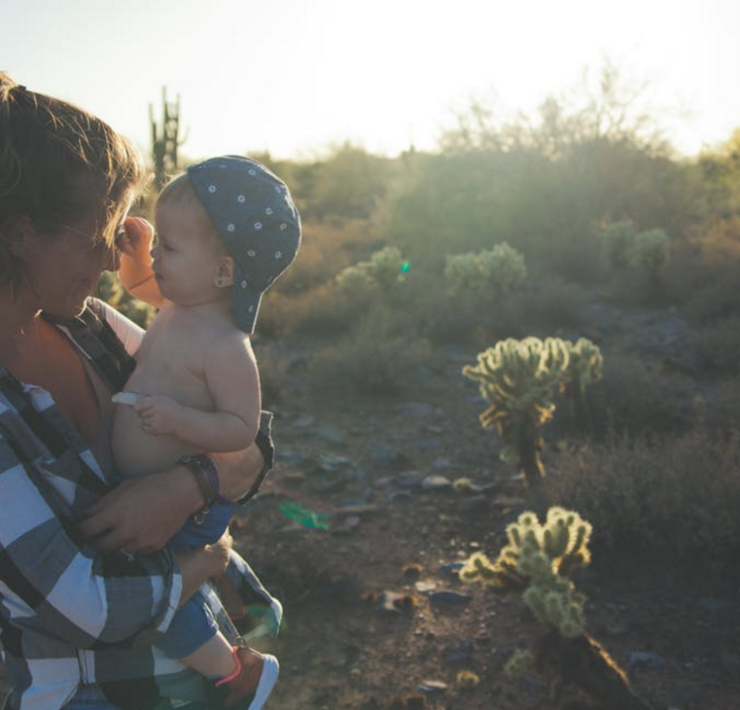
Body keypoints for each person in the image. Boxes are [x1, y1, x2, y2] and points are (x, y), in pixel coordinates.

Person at [0, 74, 281, 710]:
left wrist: (187, 486)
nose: (112, 259)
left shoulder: (91, 328)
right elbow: (87, 608)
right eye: (101, 227)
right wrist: (203, 562)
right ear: (21, 233)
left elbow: (252, 441)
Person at [109, 156, 301, 710]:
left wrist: (178, 420)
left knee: (163, 595)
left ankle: (237, 675)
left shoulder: (226, 347)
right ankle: (243, 592)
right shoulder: (178, 301)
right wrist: (139, 249)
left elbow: (242, 430)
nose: (158, 262)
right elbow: (140, 282)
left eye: (171, 247)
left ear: (223, 272)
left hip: (188, 505)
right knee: (177, 572)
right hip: (159, 491)